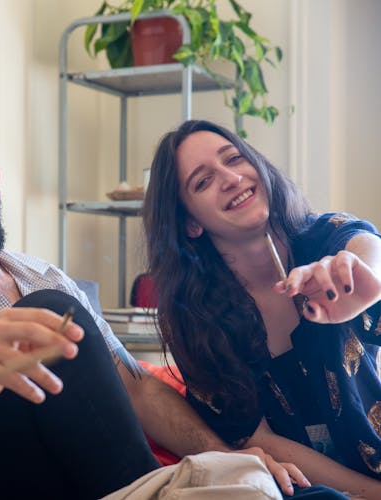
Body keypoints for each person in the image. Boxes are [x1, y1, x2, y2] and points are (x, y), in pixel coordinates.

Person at [0, 106, 344, 499]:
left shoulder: (41, 273)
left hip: (85, 473)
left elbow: (134, 386)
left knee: (284, 490)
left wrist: (224, 458)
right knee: (48, 318)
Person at [142, 119, 381, 499]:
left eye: (234, 159)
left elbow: (366, 244)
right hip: (305, 487)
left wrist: (362, 277)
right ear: (190, 224)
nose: (232, 178)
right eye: (203, 181)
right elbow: (259, 440)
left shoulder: (321, 238)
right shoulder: (195, 317)